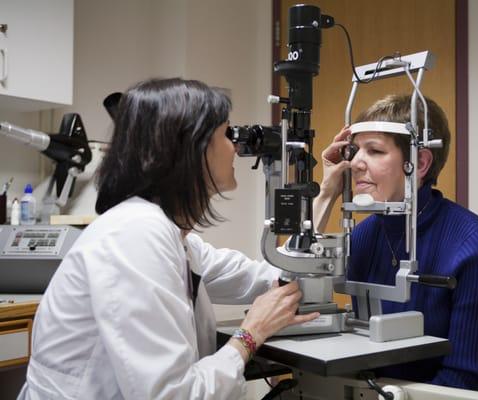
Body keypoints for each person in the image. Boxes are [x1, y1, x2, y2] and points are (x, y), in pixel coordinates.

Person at [18, 78, 319, 400]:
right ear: (192, 147)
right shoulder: (135, 235)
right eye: (226, 134)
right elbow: (170, 395)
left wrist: (324, 199)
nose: (236, 147)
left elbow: (261, 278)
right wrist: (251, 334)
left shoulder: (168, 234)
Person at [313, 94, 478, 391]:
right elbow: (295, 289)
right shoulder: (362, 237)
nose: (355, 163)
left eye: (374, 150)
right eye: (355, 150)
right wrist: (326, 192)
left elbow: (462, 376)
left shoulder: (473, 245)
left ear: (420, 162)